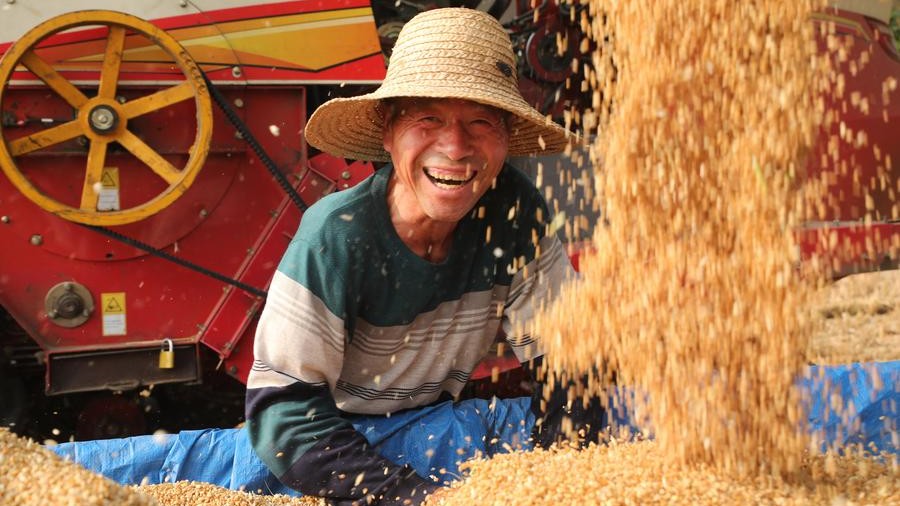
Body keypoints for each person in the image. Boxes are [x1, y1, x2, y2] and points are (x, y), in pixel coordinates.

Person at [245, 7, 604, 505]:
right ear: (389, 134)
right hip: (339, 439)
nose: (455, 147)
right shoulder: (336, 238)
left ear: (505, 140)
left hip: (436, 421)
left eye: (480, 122)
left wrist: (558, 476)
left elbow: (572, 366)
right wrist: (417, 499)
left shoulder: (514, 211)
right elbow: (284, 416)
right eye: (427, 119)